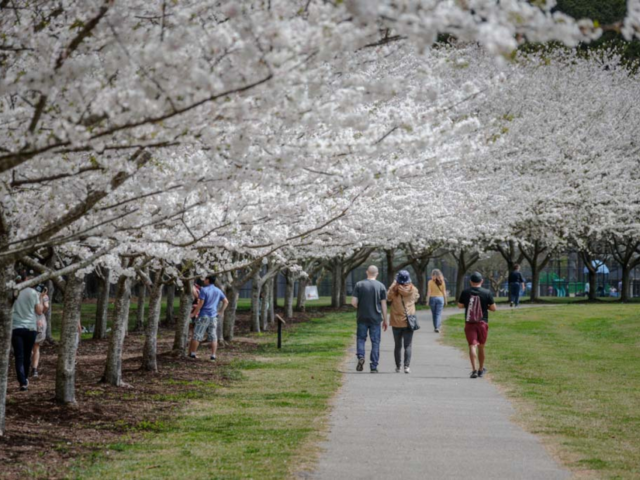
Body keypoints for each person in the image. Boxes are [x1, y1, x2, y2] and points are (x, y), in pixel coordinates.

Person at [458, 272, 496, 379]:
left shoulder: (465, 292)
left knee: (472, 345)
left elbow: (460, 305)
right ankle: (481, 369)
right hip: (482, 322)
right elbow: (494, 308)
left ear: (470, 282)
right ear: (482, 281)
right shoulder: (486, 292)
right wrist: (485, 307)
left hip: (470, 322)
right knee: (481, 346)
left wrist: (468, 304)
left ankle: (474, 370)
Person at [351, 265, 387, 373]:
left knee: (361, 338)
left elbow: (353, 302)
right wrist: (385, 319)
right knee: (375, 341)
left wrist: (360, 307)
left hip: (362, 317)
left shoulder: (359, 284)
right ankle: (374, 366)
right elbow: (384, 304)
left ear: (367, 272)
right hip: (375, 318)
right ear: (377, 273)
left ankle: (361, 356)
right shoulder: (381, 286)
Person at [11, 272, 45, 391]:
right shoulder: (34, 293)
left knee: (19, 355)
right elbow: (39, 311)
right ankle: (25, 378)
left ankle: (22, 382)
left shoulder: (14, 291)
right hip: (30, 327)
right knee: (27, 355)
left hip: (16, 326)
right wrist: (40, 296)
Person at [387, 270, 419, 374]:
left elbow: (388, 297)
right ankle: (406, 367)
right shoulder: (413, 289)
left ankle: (398, 367)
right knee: (408, 345)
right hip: (409, 321)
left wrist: (393, 284)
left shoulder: (394, 290)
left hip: (396, 321)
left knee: (397, 345)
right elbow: (416, 298)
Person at [190, 275, 228, 361]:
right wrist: (221, 311)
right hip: (213, 316)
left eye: (205, 279)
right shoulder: (218, 290)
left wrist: (194, 313)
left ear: (208, 280)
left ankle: (192, 354)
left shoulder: (204, 290)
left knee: (197, 334)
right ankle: (213, 355)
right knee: (213, 336)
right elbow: (226, 301)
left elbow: (200, 303)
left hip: (203, 315)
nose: (204, 280)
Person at [30, 285, 50, 378]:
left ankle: (30, 366)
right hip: (39, 322)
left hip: (29, 321)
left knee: (29, 346)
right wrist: (42, 297)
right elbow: (43, 308)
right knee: (36, 347)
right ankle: (34, 369)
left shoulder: (29, 294)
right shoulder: (43, 296)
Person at [426, 269, 447, 333]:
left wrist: (427, 301)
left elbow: (429, 292)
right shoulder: (442, 281)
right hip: (440, 298)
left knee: (434, 314)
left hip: (432, 298)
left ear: (432, 275)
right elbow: (444, 292)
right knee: (438, 314)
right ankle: (437, 327)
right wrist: (445, 300)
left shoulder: (430, 282)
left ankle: (436, 327)